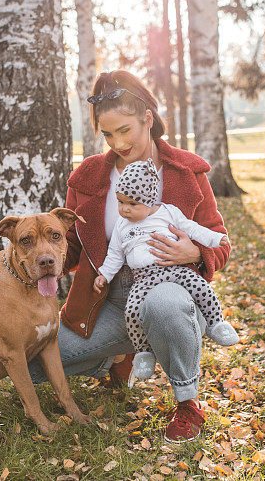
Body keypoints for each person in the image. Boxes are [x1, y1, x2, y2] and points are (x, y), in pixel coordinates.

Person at [27, 69, 232, 443]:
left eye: (125, 130)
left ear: (147, 120)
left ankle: (187, 404)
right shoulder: (88, 176)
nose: (118, 143)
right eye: (108, 134)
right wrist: (40, 251)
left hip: (172, 291)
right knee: (33, 365)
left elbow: (220, 241)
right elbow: (72, 249)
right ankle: (117, 360)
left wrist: (196, 251)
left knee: (165, 306)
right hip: (103, 301)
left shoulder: (187, 170)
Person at [93, 158, 238, 381]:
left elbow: (193, 228)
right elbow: (114, 256)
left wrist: (215, 239)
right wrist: (104, 274)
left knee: (200, 287)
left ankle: (216, 323)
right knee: (132, 311)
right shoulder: (122, 226)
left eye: (132, 204)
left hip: (174, 270)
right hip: (143, 278)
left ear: (150, 202)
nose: (124, 210)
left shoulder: (168, 213)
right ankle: (143, 352)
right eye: (120, 202)